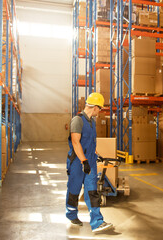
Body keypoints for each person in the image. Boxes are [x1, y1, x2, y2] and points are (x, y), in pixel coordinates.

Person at [66, 92, 113, 233]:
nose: (100, 111)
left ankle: (97, 222)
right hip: (77, 162)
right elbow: (76, 142)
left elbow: (90, 143)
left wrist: (96, 155)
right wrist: (84, 161)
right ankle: (71, 214)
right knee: (74, 190)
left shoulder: (92, 121)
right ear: (95, 107)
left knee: (92, 190)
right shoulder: (77, 120)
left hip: (90, 161)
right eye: (100, 108)